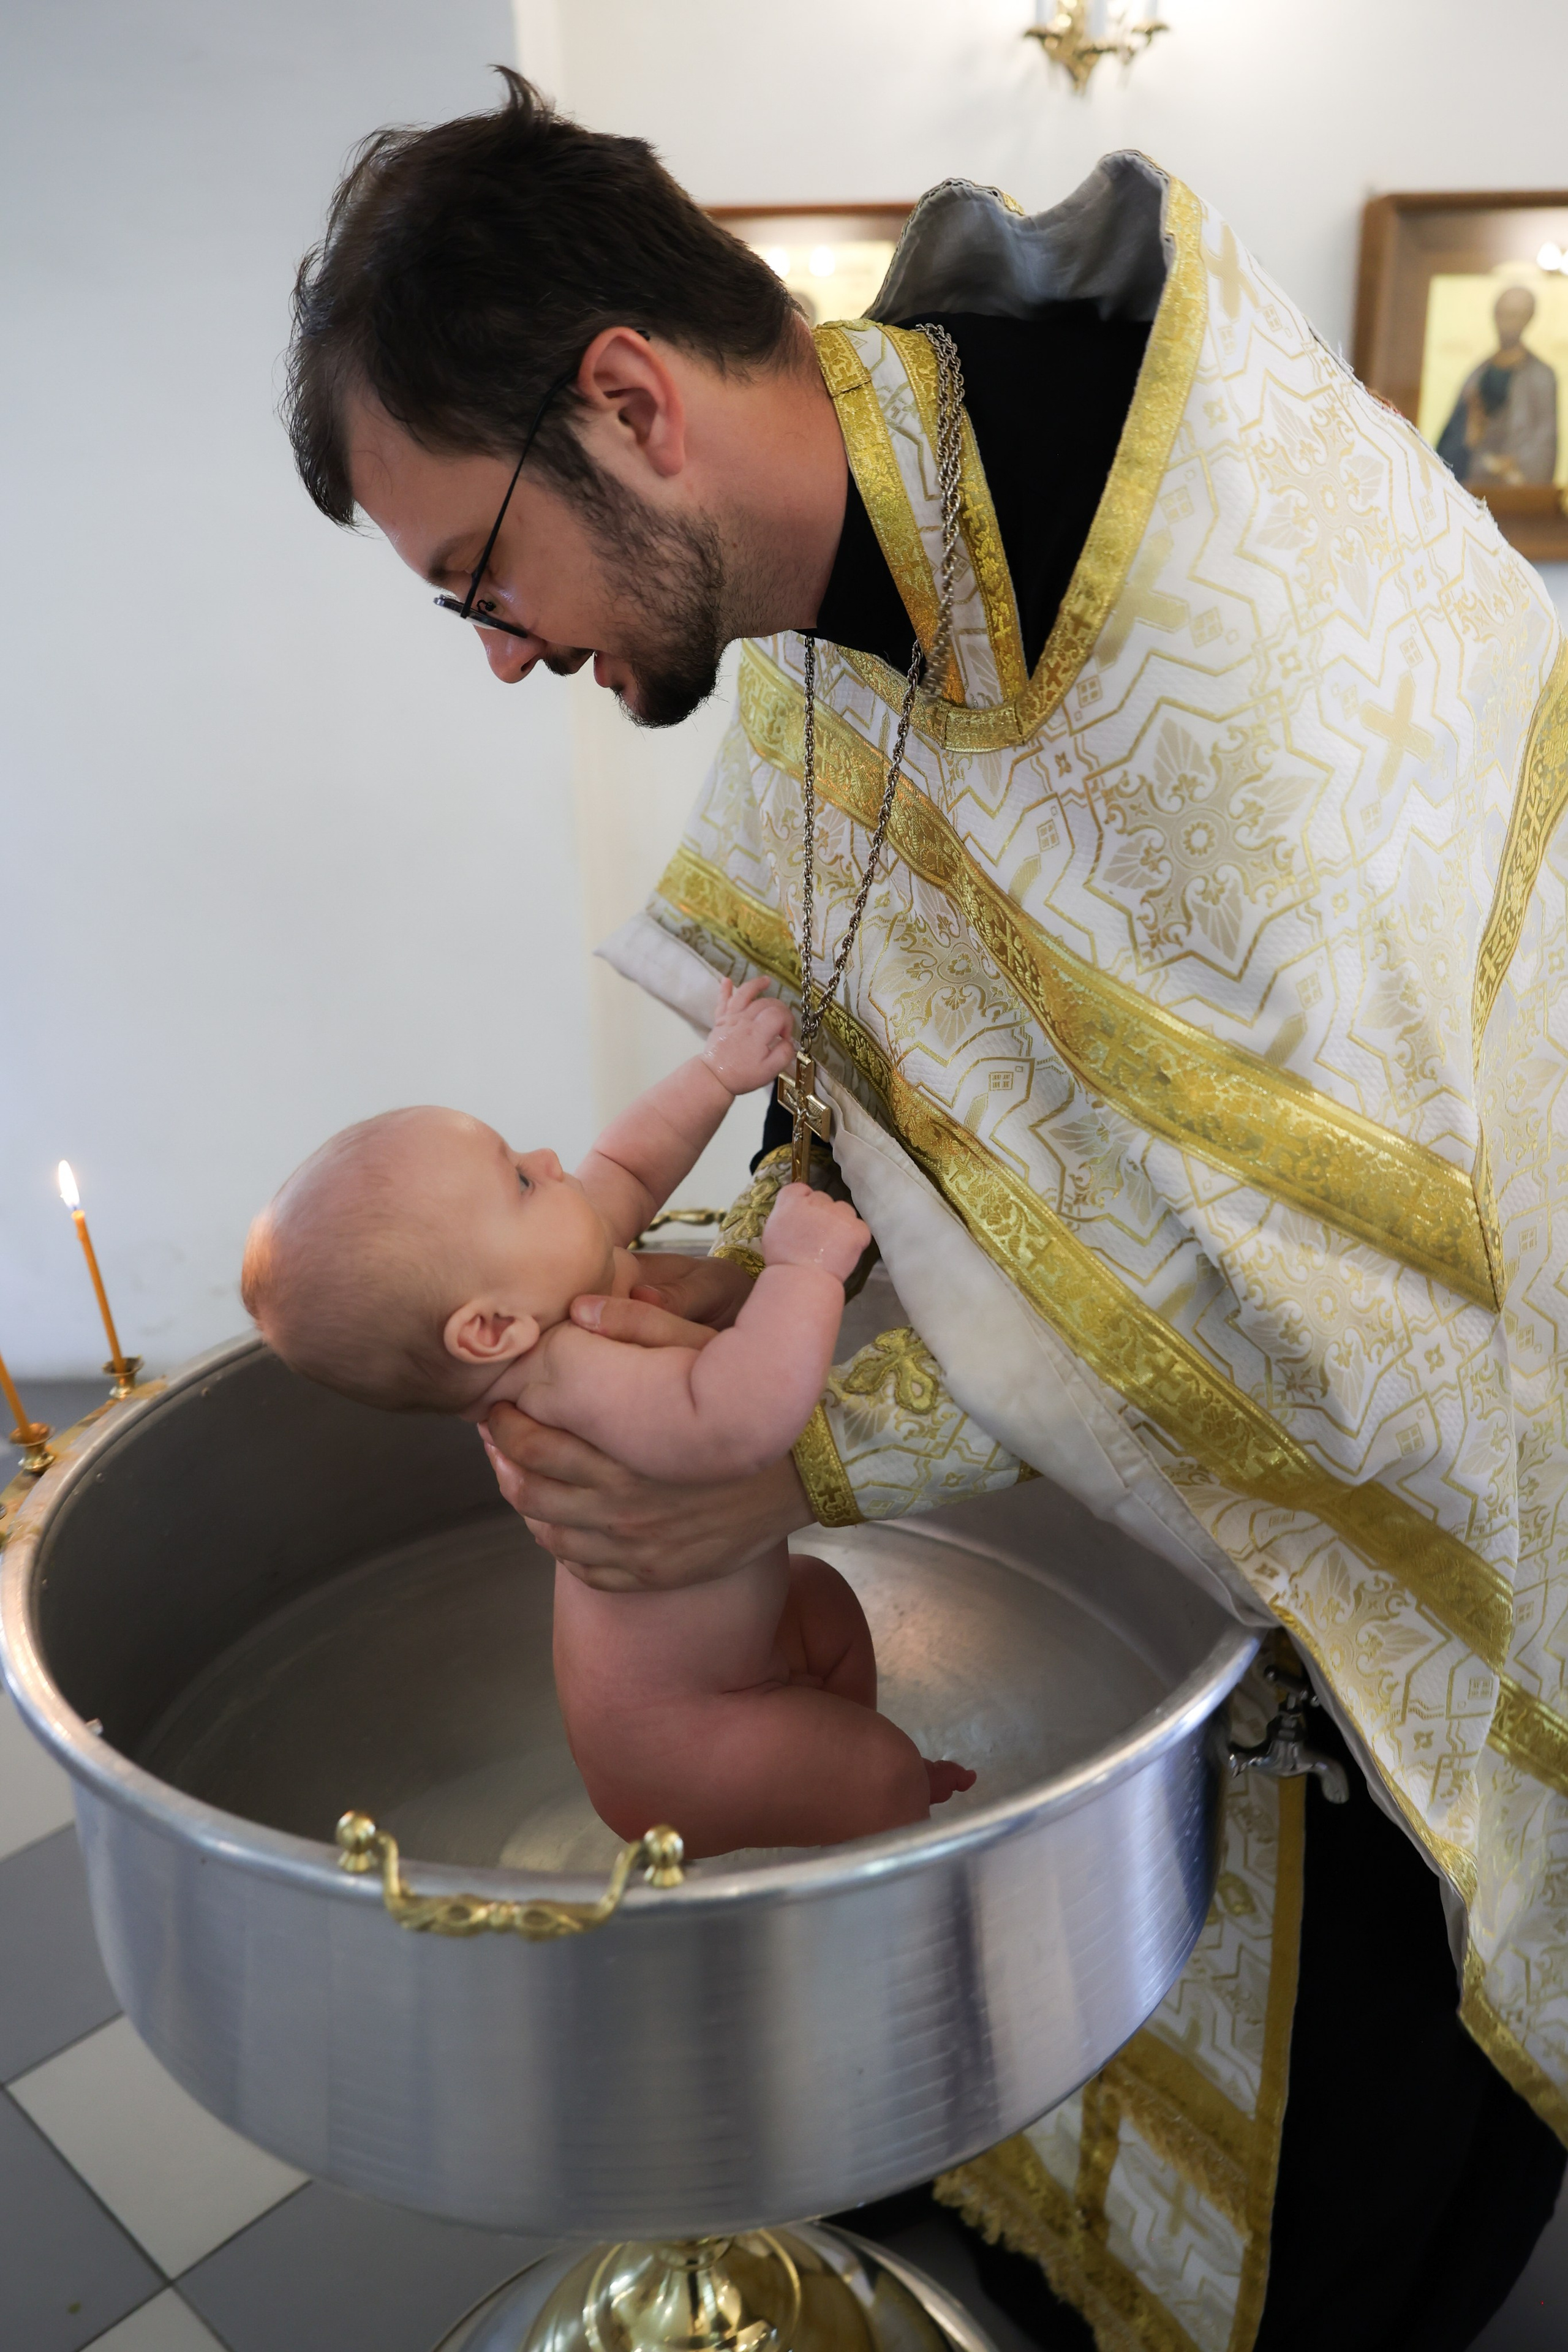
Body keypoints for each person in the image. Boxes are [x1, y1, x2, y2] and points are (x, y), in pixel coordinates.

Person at [282, 72, 1568, 2351]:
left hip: (1441, 1572)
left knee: (1355, 2204)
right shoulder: (856, 532)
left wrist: (765, 1453)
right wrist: (767, 1236)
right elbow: (898, 1043)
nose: (495, 654)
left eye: (478, 575)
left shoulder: (1204, 605)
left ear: (626, 403)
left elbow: (1351, 1272)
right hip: (1163, 1593)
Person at [239, 982, 972, 1856]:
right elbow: (739, 1421)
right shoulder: (564, 1370)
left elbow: (627, 1166)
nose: (550, 1160)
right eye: (517, 1180)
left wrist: (717, 1072)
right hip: (679, 1746)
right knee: (884, 1768)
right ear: (488, 1331)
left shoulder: (549, 1288)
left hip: (728, 1675)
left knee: (822, 1603)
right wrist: (800, 1271)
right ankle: (864, 1816)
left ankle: (821, 1799)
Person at [1437, 283, 1558, 487]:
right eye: (1502, 314)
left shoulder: (1541, 376)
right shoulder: (1477, 375)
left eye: (1515, 315)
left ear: (1528, 318)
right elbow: (1448, 447)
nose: (1507, 322)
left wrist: (1517, 464)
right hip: (1473, 486)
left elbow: (1545, 442)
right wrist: (1468, 437)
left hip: (1517, 492)